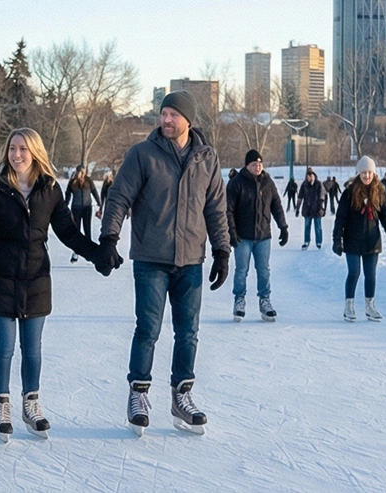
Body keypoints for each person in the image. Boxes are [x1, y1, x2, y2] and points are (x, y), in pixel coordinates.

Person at [94, 90, 230, 437]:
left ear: (189, 120)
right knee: (148, 329)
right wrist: (109, 238)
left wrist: (222, 250)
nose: (166, 120)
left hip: (191, 260)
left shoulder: (207, 158)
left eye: (173, 115)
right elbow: (119, 197)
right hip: (151, 258)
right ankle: (138, 394)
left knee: (188, 332)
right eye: (164, 113)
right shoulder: (143, 154)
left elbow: (216, 207)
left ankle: (181, 396)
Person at [0, 128, 97, 442]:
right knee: (5, 347)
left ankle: (31, 404)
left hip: (36, 279)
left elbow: (68, 232)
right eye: (12, 148)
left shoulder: (49, 189)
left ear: (35, 152)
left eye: (23, 149)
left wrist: (96, 254)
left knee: (32, 349)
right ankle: (1, 406)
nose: (16, 155)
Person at [226, 150, 289, 323]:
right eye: (254, 164)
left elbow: (276, 205)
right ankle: (239, 300)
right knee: (241, 270)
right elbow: (228, 210)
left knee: (264, 270)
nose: (258, 166)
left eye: (260, 163)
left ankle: (265, 300)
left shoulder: (267, 182)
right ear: (247, 166)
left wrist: (283, 227)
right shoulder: (237, 182)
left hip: (263, 236)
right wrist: (232, 232)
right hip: (243, 237)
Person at [332, 156, 386, 322]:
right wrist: (337, 239)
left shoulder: (380, 193)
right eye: (363, 173)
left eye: (369, 172)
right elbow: (341, 218)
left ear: (374, 173)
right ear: (358, 173)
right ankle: (349, 305)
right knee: (354, 272)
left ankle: (370, 306)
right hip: (352, 240)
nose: (366, 176)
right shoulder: (349, 193)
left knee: (371, 275)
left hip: (372, 240)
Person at [64, 164, 101, 263]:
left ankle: (89, 252)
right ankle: (76, 252)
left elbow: (94, 191)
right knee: (76, 231)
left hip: (87, 208)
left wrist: (99, 203)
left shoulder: (88, 181)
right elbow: (67, 195)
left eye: (83, 172)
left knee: (87, 229)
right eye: (80, 172)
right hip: (76, 208)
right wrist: (64, 206)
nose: (81, 174)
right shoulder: (72, 182)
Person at [295, 170, 326, 250]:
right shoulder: (304, 184)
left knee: (318, 226)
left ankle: (319, 242)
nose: (308, 178)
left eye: (309, 176)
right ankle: (306, 241)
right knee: (307, 226)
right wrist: (297, 208)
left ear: (312, 176)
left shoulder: (318, 184)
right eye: (307, 176)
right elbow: (300, 197)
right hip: (307, 209)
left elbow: (322, 196)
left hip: (317, 209)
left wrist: (321, 207)